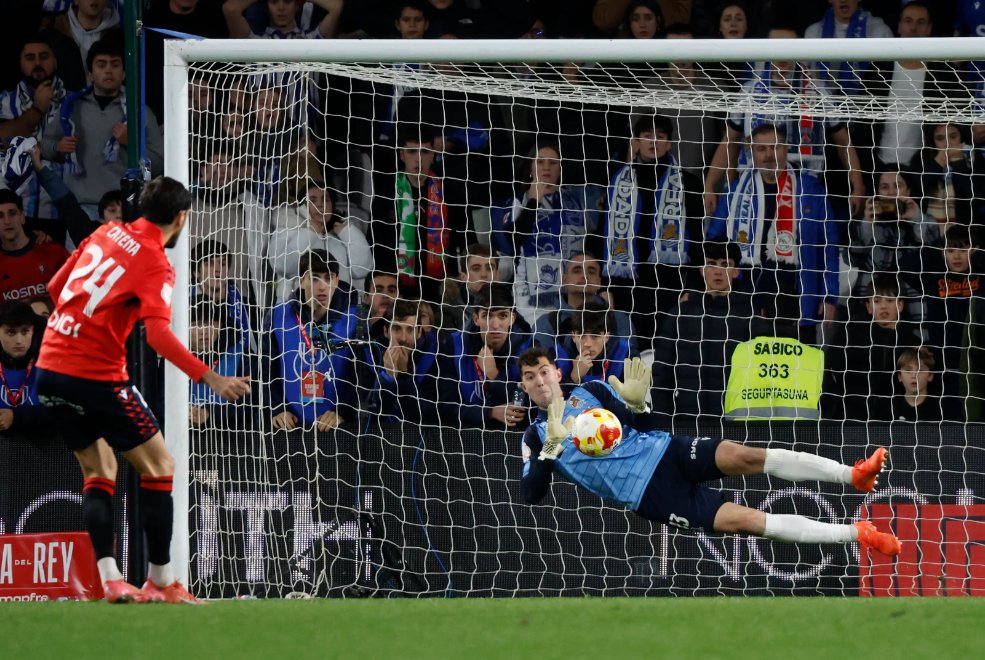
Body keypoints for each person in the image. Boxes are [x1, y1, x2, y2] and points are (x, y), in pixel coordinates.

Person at [35, 176, 251, 604]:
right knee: (160, 467)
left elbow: (56, 289)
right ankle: (162, 580)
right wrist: (212, 378)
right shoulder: (156, 261)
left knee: (100, 470)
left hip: (49, 367)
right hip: (95, 374)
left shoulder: (105, 231)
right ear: (181, 218)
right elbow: (159, 337)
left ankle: (111, 577)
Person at [517, 346, 901, 556]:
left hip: (667, 451)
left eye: (545, 371)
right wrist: (552, 445)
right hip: (650, 494)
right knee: (748, 521)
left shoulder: (594, 392)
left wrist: (637, 405)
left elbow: (649, 427)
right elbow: (531, 493)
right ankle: (859, 534)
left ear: (559, 372)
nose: (539, 380)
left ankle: (853, 474)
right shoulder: (535, 437)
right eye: (530, 376)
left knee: (746, 455)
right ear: (525, 385)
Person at [706, 123, 840, 333]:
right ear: (752, 153)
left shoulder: (810, 189)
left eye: (775, 147)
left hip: (796, 298)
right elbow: (714, 243)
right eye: (761, 149)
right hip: (744, 298)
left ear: (786, 149)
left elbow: (828, 247)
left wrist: (829, 295)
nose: (769, 155)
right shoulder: (734, 193)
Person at [598, 114, 704, 347]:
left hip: (669, 282)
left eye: (660, 136)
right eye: (647, 136)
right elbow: (601, 235)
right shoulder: (616, 180)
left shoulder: (689, 183)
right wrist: (604, 287)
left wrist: (693, 287)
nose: (653, 142)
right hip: (626, 284)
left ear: (669, 143)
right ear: (636, 141)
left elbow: (697, 238)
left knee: (666, 347)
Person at [42, 34, 165, 218]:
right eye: (101, 65)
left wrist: (131, 145)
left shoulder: (141, 112)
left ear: (124, 73)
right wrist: (57, 147)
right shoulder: (70, 108)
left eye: (115, 65)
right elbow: (43, 146)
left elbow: (158, 166)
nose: (109, 70)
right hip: (80, 209)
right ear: (90, 74)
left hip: (126, 210)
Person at [651, 239, 754, 425]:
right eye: (711, 264)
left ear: (736, 272)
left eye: (726, 265)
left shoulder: (749, 316)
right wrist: (663, 423)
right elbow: (662, 375)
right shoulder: (679, 315)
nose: (718, 271)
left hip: (734, 424)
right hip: (687, 422)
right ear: (701, 270)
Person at [491, 142, 586, 327]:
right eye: (540, 162)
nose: (546, 168)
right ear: (531, 168)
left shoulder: (574, 201)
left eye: (553, 163)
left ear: (560, 169)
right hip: (531, 296)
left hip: (572, 292)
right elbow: (513, 239)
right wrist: (534, 201)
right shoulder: (519, 201)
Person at [267, 249, 359, 432]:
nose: (322, 286)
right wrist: (277, 408)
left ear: (337, 281)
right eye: (314, 278)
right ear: (301, 281)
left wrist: (342, 412)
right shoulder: (278, 316)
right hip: (289, 426)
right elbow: (266, 369)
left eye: (328, 277)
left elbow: (361, 376)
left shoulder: (355, 319)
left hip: (337, 428)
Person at [827, 274, 922, 422]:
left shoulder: (913, 343)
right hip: (852, 416)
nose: (883, 306)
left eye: (890, 300)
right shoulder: (850, 335)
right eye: (877, 301)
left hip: (896, 418)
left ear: (901, 305)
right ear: (869, 307)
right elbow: (834, 374)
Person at [440, 282, 531, 430]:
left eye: (502, 316)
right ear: (476, 319)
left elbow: (521, 405)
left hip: (514, 437)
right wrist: (489, 413)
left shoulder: (527, 349)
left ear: (512, 319)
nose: (495, 325)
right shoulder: (455, 346)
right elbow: (446, 406)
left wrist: (494, 376)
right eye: (487, 316)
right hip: (465, 437)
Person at [268, 178, 374, 302]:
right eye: (312, 200)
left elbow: (362, 270)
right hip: (295, 312)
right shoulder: (286, 229)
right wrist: (309, 232)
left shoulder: (341, 236)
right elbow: (284, 267)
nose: (320, 204)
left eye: (325, 200)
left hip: (337, 311)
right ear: (302, 205)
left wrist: (347, 232)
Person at [533, 251, 634, 352]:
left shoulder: (619, 320)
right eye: (577, 271)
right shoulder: (546, 323)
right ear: (564, 280)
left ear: (599, 282)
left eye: (591, 271)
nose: (584, 276)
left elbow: (629, 360)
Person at [804, 0, 894, 96]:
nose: (844, 0)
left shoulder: (879, 31)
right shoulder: (813, 32)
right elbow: (803, 74)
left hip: (867, 103)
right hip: (822, 103)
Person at [373, 298, 441, 423]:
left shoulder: (435, 356)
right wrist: (388, 378)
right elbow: (372, 413)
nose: (403, 338)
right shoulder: (370, 353)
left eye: (410, 330)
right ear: (386, 331)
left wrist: (404, 376)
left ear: (419, 332)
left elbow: (425, 415)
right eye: (397, 329)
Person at [0, 188, 69, 303]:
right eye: (0, 216)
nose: (7, 221)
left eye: (12, 213)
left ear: (22, 217)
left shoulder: (55, 252)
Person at [554, 305, 633, 386]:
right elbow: (555, 396)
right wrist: (574, 377)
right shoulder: (558, 355)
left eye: (595, 336)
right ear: (573, 336)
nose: (587, 344)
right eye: (582, 335)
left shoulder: (626, 354)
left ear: (607, 337)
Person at [0, 301, 47, 435]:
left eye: (25, 331)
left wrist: (16, 417)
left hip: (47, 449)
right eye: (11, 332)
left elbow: (62, 412)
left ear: (33, 330)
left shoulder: (50, 363)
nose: (19, 340)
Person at [223, 0, 344, 39]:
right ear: (267, 6)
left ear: (296, 5)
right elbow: (230, 9)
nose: (281, 8)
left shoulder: (311, 39)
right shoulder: (255, 41)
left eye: (287, 1)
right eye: (274, 2)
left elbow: (336, 6)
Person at [891, 347, 943, 422]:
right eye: (908, 370)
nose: (914, 375)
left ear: (930, 376)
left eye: (920, 370)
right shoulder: (889, 408)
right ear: (899, 376)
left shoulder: (941, 408)